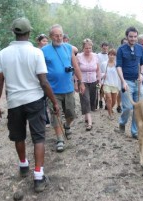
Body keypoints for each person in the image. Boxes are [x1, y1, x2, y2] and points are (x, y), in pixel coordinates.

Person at [0, 17, 60, 193]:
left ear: (14, 32)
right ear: (29, 33)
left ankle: (23, 165)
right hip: (35, 100)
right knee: (39, 138)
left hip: (14, 102)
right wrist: (54, 102)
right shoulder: (37, 53)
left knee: (19, 136)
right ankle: (38, 176)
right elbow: (44, 82)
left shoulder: (2, 54)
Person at [41, 24, 85, 152]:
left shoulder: (68, 48)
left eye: (60, 35)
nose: (59, 37)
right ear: (51, 36)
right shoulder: (44, 51)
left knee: (71, 114)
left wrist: (81, 82)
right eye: (56, 35)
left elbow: (76, 67)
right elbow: (40, 70)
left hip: (68, 88)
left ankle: (67, 125)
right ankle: (60, 139)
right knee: (56, 115)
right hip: (52, 90)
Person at [115, 27, 143, 139]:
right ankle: (122, 122)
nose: (133, 39)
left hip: (138, 82)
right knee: (128, 107)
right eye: (131, 36)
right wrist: (123, 82)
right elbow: (118, 66)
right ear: (127, 37)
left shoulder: (140, 48)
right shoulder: (121, 49)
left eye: (135, 36)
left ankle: (134, 131)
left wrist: (141, 74)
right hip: (126, 82)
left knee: (137, 108)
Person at [76, 38, 101, 131]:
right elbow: (76, 70)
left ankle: (87, 116)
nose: (88, 50)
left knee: (91, 100)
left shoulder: (95, 56)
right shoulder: (79, 56)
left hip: (93, 81)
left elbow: (98, 69)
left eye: (90, 48)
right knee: (85, 100)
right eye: (86, 48)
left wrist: (99, 80)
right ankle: (90, 123)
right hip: (83, 82)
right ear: (83, 48)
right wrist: (76, 82)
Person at [100, 48, 120, 120]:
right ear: (108, 55)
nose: (112, 56)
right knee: (109, 98)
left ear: (115, 56)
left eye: (113, 55)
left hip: (114, 84)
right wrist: (103, 75)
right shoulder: (104, 64)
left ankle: (110, 108)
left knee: (114, 100)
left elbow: (120, 74)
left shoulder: (117, 64)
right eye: (110, 54)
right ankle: (110, 114)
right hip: (106, 83)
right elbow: (100, 73)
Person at [36, 34, 51, 128]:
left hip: (49, 77)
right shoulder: (36, 52)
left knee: (47, 99)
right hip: (40, 78)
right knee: (42, 100)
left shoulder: (49, 51)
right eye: (43, 41)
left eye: (46, 41)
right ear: (39, 41)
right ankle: (45, 120)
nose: (45, 43)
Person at [116, 37, 128, 113]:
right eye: (124, 43)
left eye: (126, 42)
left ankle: (126, 106)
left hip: (128, 74)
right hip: (120, 74)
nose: (126, 44)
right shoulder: (120, 51)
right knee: (121, 91)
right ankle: (118, 105)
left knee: (126, 91)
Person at [97, 42, 109, 109]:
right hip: (100, 74)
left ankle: (107, 104)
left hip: (107, 74)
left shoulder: (109, 55)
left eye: (106, 48)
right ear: (101, 47)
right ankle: (100, 101)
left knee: (107, 90)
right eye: (104, 48)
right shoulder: (98, 55)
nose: (105, 49)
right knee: (101, 89)